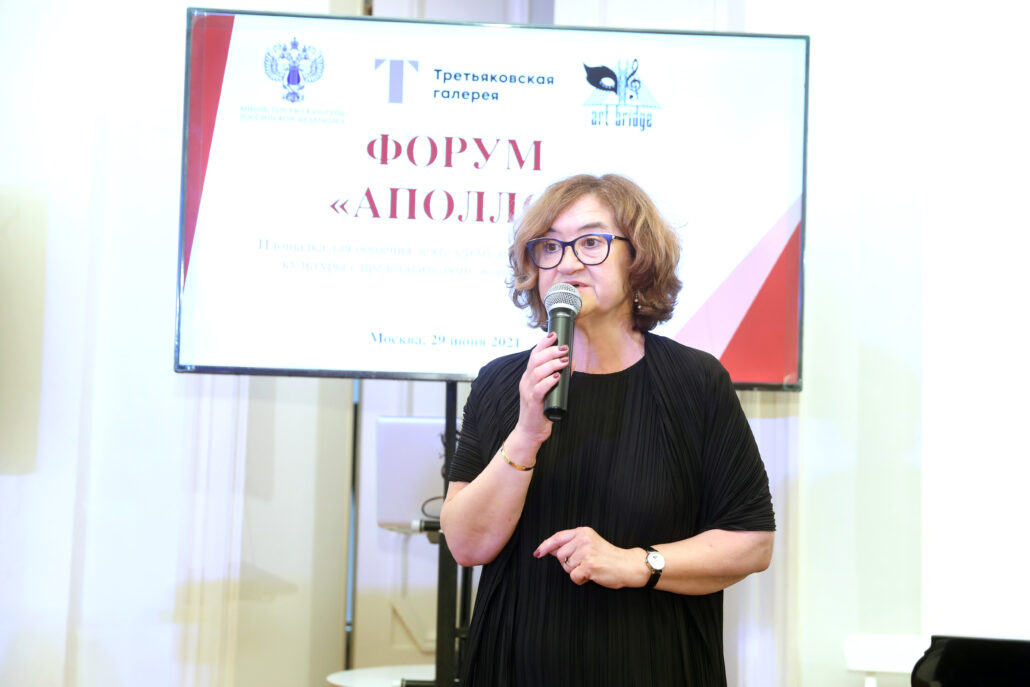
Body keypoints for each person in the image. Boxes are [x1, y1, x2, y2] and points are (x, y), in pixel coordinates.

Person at [439, 173, 775, 687]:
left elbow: (751, 543)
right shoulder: (502, 383)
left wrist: (637, 564)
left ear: (638, 259)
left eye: (591, 243)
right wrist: (526, 433)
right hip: (515, 668)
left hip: (656, 666)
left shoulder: (695, 382)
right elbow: (466, 545)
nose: (567, 263)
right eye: (549, 247)